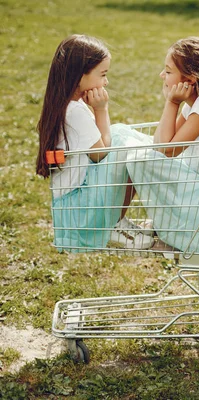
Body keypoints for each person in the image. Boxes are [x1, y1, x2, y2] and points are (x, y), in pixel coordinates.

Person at [117, 36, 199, 254]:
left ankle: (116, 222)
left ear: (188, 80)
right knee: (124, 136)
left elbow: (166, 151)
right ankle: (119, 222)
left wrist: (172, 102)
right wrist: (175, 105)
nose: (162, 75)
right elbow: (162, 143)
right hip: (197, 193)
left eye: (168, 71)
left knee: (139, 157)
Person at [36, 34, 154, 252]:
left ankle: (115, 221)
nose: (106, 81)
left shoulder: (66, 106)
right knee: (126, 143)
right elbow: (100, 153)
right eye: (103, 74)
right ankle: (113, 224)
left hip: (79, 204)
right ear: (80, 75)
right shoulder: (75, 112)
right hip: (81, 209)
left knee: (124, 137)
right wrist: (101, 109)